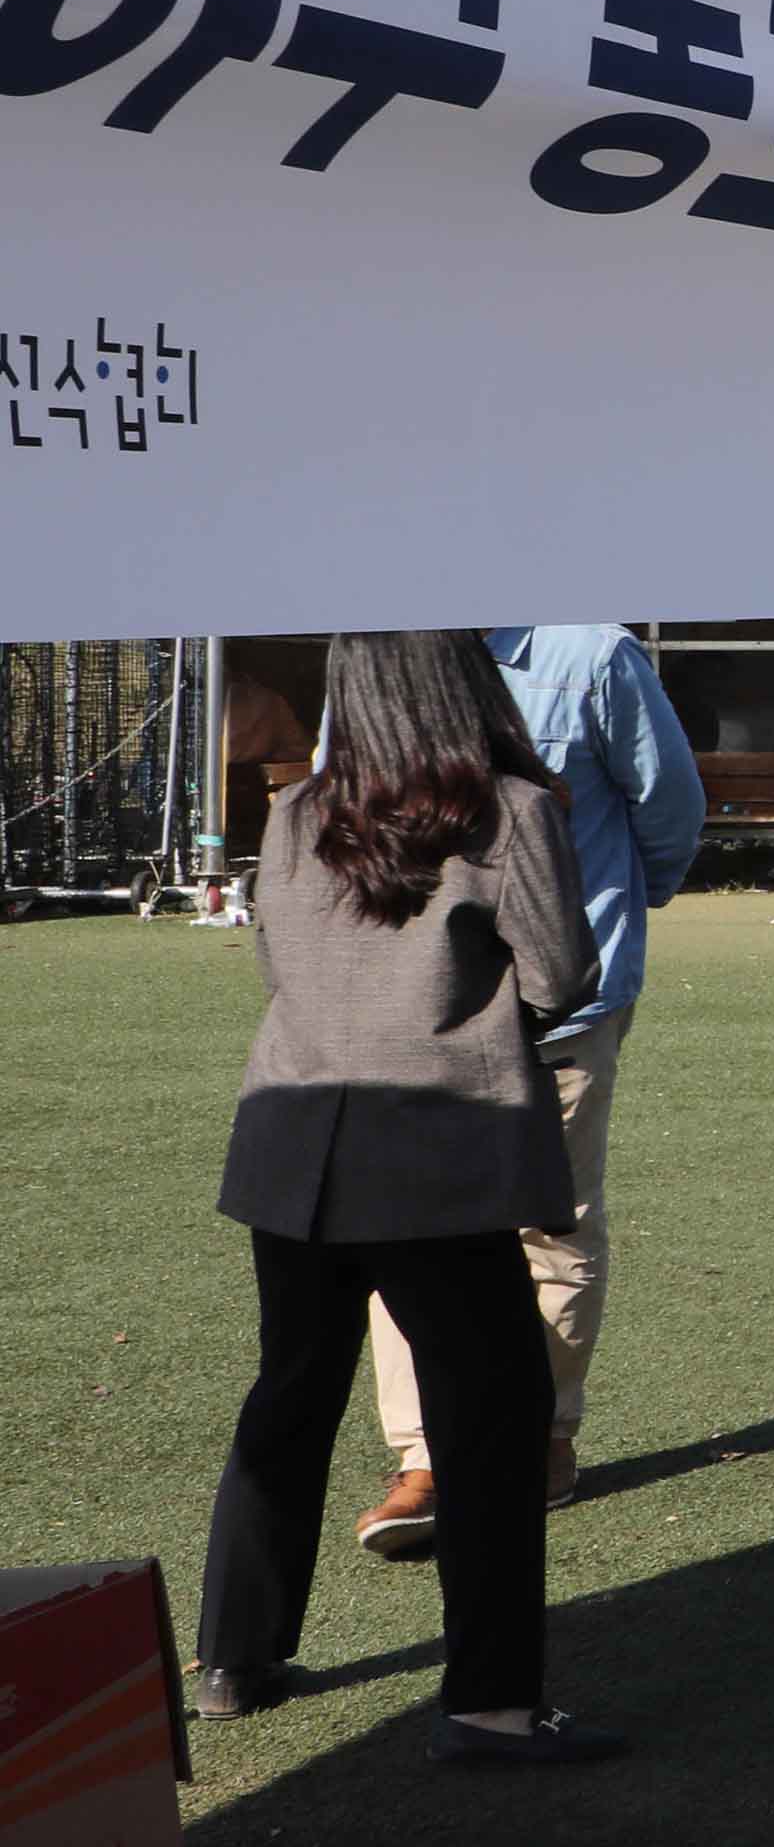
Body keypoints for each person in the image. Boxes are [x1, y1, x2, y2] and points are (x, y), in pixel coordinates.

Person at [199, 632, 625, 1763]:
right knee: (490, 1414)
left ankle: (236, 1657)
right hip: (441, 1143)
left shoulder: (300, 814)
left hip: (295, 1129)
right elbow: (563, 975)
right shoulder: (509, 809)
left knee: (291, 1389)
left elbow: (282, 967)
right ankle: (491, 1700)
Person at [351, 622, 699, 1560]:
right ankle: (426, 1454)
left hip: (562, 1000)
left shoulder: (590, 654)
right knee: (408, 1233)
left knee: (553, 1221)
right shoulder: (383, 641)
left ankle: (537, 1436)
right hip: (411, 1003)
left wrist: (613, 917)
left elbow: (667, 805)